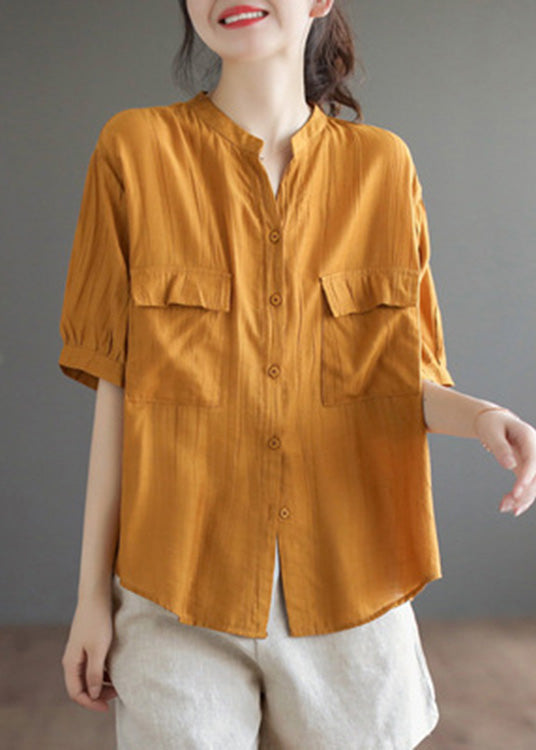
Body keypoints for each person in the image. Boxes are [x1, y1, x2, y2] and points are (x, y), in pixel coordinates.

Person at [59, 1, 536, 748]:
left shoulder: (383, 167)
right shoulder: (134, 151)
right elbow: (118, 398)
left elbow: (397, 381)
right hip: (176, 591)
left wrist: (482, 417)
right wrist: (92, 599)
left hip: (353, 590)